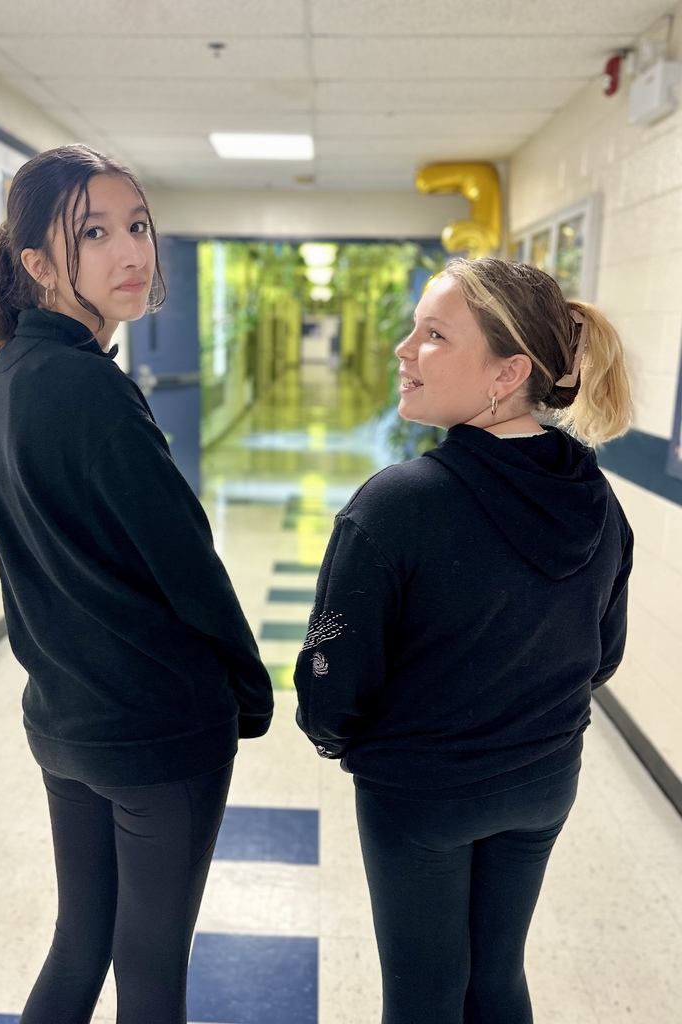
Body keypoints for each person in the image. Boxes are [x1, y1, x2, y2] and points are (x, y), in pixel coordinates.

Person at [0, 144, 273, 1024]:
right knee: (150, 973)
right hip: (153, 730)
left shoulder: (14, 370)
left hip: (67, 722)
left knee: (80, 944)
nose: (131, 252)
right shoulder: (92, 390)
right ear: (36, 265)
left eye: (137, 226)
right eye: (94, 234)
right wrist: (248, 685)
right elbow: (186, 561)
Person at [294, 258, 633, 1024]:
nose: (403, 348)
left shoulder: (395, 506)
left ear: (508, 372)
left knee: (424, 995)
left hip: (422, 798)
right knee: (496, 980)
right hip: (545, 783)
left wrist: (345, 739)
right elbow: (601, 657)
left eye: (435, 334)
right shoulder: (599, 503)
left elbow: (328, 674)